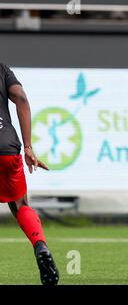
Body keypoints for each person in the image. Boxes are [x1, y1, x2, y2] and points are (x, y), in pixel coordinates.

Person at [0, 63, 59, 285]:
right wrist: (28, 147)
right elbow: (21, 98)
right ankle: (40, 246)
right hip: (5, 146)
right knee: (21, 205)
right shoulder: (1, 68)